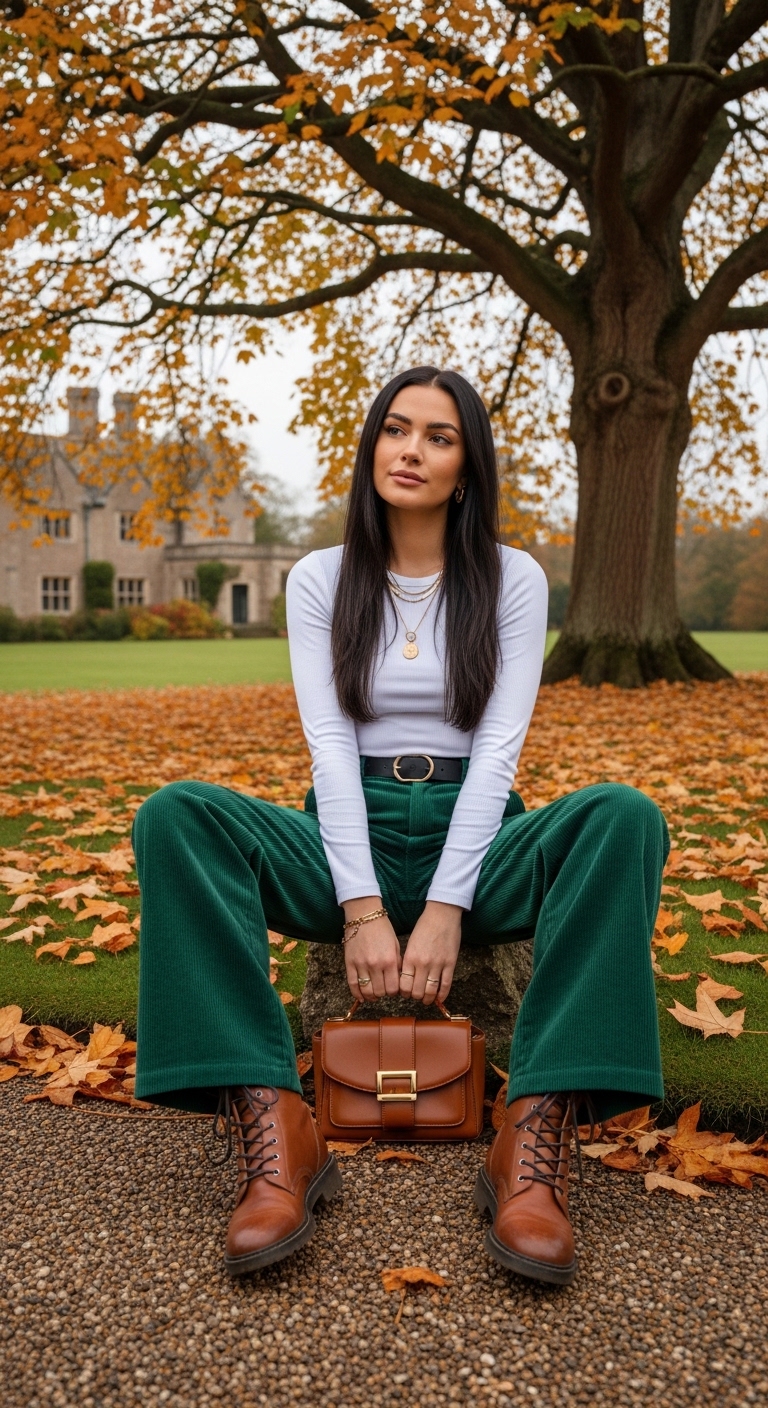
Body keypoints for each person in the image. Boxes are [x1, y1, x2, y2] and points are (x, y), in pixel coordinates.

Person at [133, 366, 668, 1286]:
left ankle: (532, 1134)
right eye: (395, 428)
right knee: (176, 814)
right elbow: (329, 747)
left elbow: (498, 751)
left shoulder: (513, 577)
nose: (410, 450)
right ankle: (276, 1127)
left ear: (467, 467)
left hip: (480, 833)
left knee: (624, 816)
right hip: (351, 827)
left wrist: (448, 908)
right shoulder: (321, 577)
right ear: (372, 446)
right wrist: (364, 907)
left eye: (438, 436)